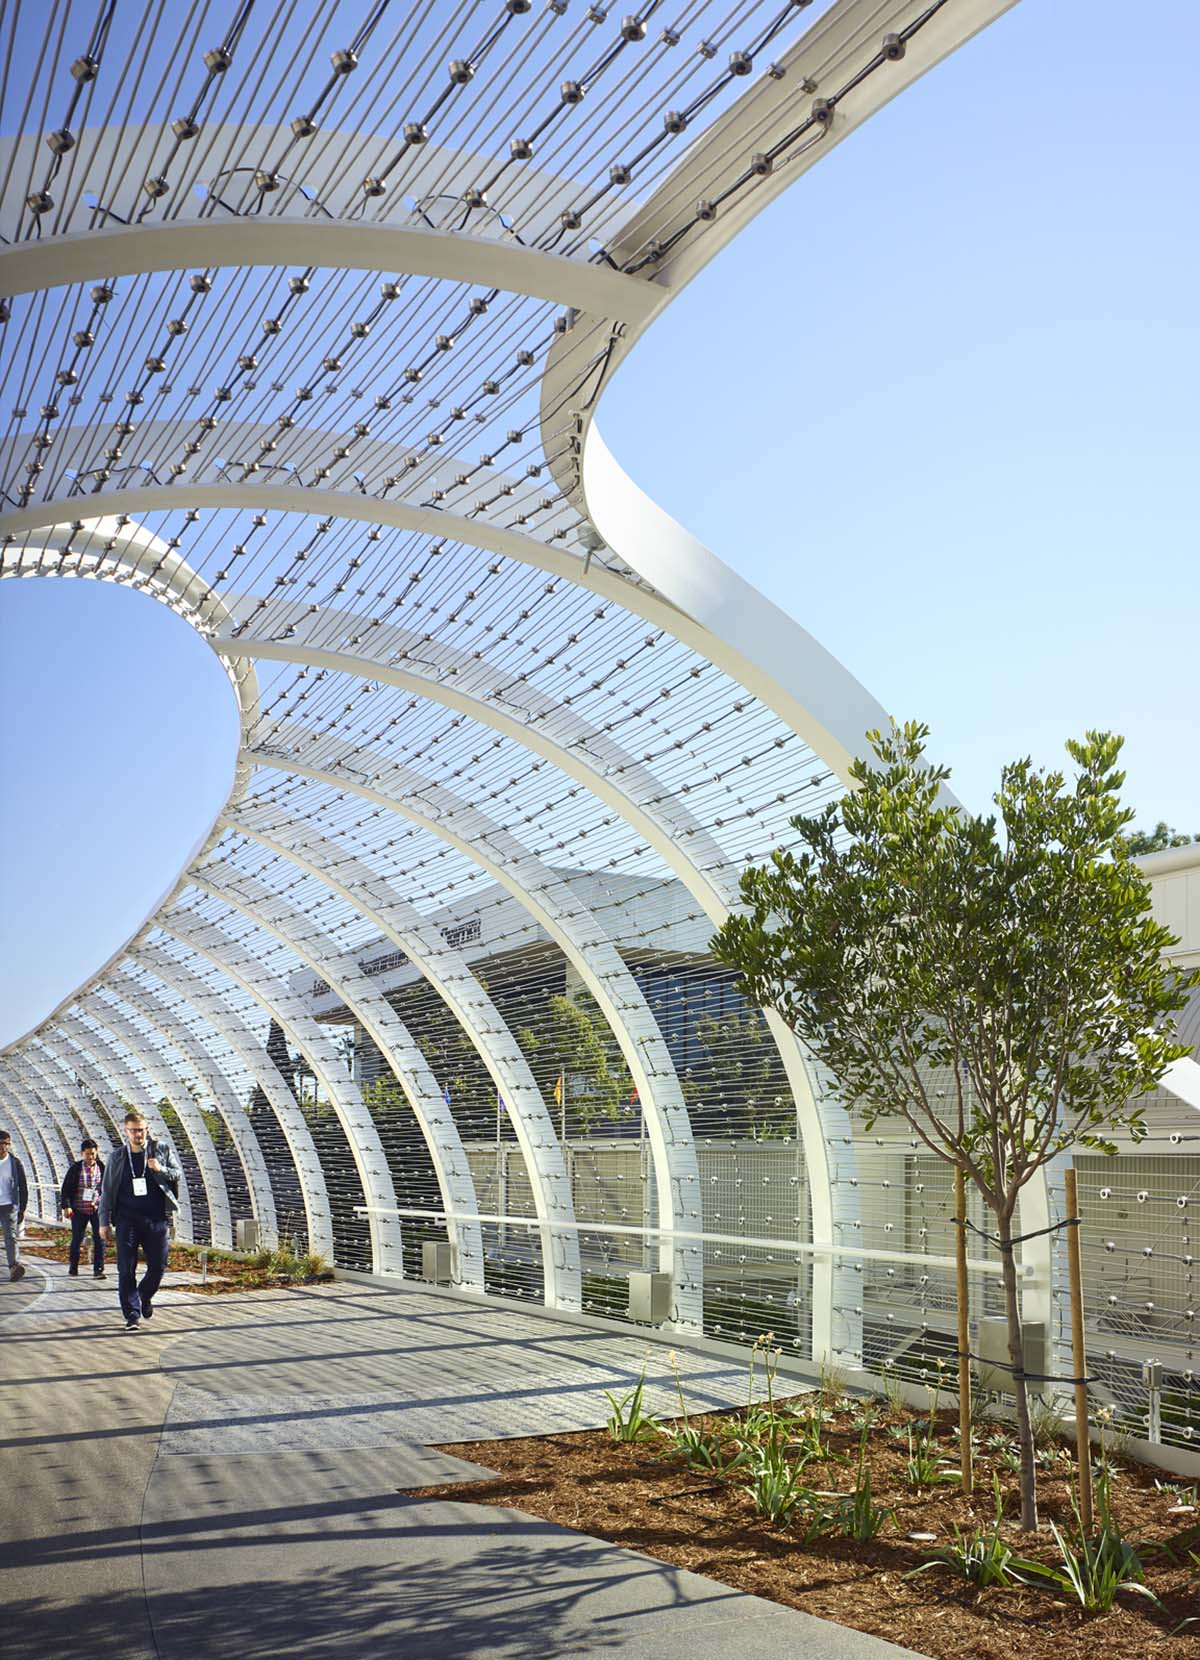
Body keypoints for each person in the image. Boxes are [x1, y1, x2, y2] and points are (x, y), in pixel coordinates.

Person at [98, 1110, 180, 1330]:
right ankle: (132, 1314)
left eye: (141, 1130)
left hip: (156, 1220)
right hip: (127, 1221)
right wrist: (103, 1222)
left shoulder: (160, 1150)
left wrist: (159, 1168)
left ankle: (143, 1294)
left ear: (147, 1130)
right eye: (133, 1131)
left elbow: (177, 1173)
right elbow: (106, 1190)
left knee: (159, 1265)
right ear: (126, 1132)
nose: (138, 1135)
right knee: (126, 1268)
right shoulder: (116, 1157)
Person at [60, 1139, 107, 1279]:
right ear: (82, 1153)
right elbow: (66, 1189)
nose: (90, 1157)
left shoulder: (102, 1168)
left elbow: (105, 1189)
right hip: (79, 1209)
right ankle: (73, 1266)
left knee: (100, 1239)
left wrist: (102, 1203)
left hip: (97, 1209)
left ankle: (98, 1269)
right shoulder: (75, 1169)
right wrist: (66, 1206)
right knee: (77, 1239)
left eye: (93, 1154)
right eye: (87, 1154)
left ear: (96, 1152)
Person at [0, 1130, 29, 1282]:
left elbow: (23, 1186)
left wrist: (22, 1208)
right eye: (1, 1143)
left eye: (7, 1144)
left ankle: (14, 1267)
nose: (4, 1147)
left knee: (11, 1237)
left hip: (8, 1205)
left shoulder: (15, 1163)